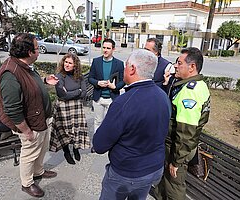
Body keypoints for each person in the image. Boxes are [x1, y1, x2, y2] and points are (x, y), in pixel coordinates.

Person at [93, 49, 171, 200]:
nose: (124, 69)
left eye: (126, 65)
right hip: (153, 169)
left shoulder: (123, 102)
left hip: (126, 172)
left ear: (132, 69)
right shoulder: (163, 96)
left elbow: (100, 145)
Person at [0, 33, 59, 198]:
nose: (39, 51)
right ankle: (27, 183)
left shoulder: (25, 65)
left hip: (40, 119)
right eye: (37, 48)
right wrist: (26, 131)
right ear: (29, 52)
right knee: (29, 153)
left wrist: (45, 80)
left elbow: (28, 85)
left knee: (42, 148)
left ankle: (38, 171)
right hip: (29, 125)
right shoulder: (10, 74)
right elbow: (12, 108)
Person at [151, 47, 211, 200]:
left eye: (179, 63)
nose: (175, 66)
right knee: (166, 181)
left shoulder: (189, 92)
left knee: (174, 186)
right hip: (177, 147)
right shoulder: (198, 85)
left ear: (192, 67)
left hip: (177, 149)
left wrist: (176, 161)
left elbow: (185, 132)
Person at [49, 53, 90, 165]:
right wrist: (78, 92)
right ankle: (66, 152)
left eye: (70, 63)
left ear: (75, 65)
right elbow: (62, 95)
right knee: (64, 131)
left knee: (76, 129)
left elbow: (84, 94)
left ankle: (76, 149)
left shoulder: (79, 76)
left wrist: (71, 93)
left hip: (76, 107)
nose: (67, 65)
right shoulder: (59, 76)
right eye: (65, 62)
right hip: (63, 108)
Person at [88, 38, 125, 149]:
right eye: (104, 47)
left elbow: (123, 80)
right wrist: (98, 82)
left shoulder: (119, 63)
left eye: (108, 48)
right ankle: (96, 143)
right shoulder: (96, 61)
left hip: (112, 98)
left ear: (113, 49)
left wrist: (115, 86)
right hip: (98, 97)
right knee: (98, 121)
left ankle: (109, 143)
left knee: (110, 122)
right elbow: (90, 78)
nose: (105, 50)